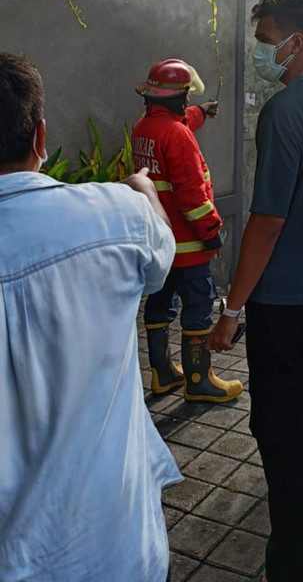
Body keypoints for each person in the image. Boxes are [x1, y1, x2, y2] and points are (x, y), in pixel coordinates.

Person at [0, 52, 180, 582]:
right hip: (125, 551)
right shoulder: (119, 215)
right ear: (41, 137)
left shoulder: (161, 127)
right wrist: (144, 190)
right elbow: (162, 251)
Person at [207, 0, 303, 582]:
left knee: (283, 429)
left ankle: (291, 566)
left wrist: (233, 308)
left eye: (267, 36)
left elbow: (267, 220)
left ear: (295, 42)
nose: (260, 49)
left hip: (286, 302)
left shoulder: (285, 109)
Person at [133, 59, 242, 403]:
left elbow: (176, 124)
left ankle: (162, 374)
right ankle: (199, 381)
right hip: (189, 246)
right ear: (178, 97)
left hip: (161, 246)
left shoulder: (145, 128)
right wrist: (213, 232)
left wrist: (201, 112)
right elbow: (192, 195)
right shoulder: (178, 136)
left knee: (159, 305)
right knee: (197, 307)